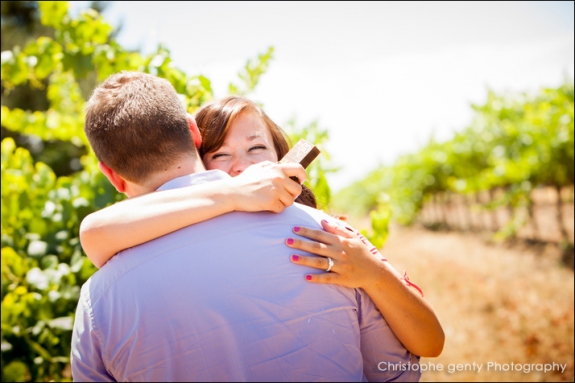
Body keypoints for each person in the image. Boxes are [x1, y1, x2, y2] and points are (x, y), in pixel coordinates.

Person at [70, 71, 425, 381]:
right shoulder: (323, 236)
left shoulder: (97, 299)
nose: (243, 169)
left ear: (111, 177)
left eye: (257, 149)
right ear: (195, 135)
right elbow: (396, 371)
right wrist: (233, 194)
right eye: (221, 155)